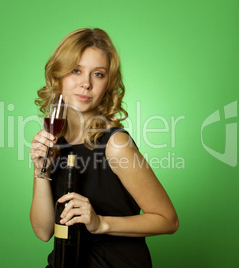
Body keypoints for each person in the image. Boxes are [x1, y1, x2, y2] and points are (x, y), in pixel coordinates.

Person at [30, 28, 179, 268]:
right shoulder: (55, 140)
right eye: (76, 70)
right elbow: (43, 231)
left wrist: (101, 223)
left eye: (98, 74)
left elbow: (168, 221)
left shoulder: (116, 144)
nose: (86, 84)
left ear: (108, 84)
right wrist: (40, 172)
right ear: (58, 76)